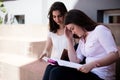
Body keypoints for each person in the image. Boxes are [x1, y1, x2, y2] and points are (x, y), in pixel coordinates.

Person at [42, 9, 120, 80]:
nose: (73, 32)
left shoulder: (100, 30)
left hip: (101, 76)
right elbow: (74, 61)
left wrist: (92, 64)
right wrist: (69, 39)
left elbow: (115, 55)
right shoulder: (82, 39)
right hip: (88, 74)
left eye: (72, 28)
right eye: (70, 30)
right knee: (50, 67)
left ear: (79, 22)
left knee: (57, 72)